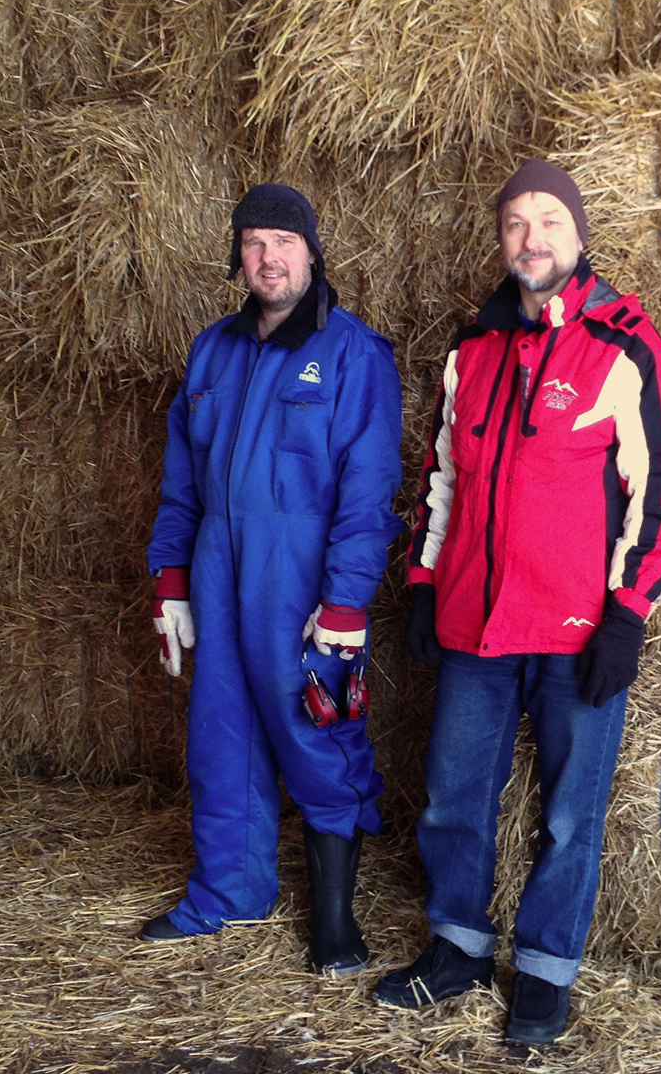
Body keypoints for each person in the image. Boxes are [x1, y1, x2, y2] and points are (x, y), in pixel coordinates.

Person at [376, 159, 661, 1044]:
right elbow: (443, 477)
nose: (532, 238)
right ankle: (458, 947)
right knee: (452, 794)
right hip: (477, 620)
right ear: (502, 238)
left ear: (579, 234)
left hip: (575, 627)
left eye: (549, 220)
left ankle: (547, 973)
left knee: (567, 812)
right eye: (516, 223)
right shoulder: (471, 352)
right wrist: (426, 582)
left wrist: (627, 612)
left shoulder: (624, 343)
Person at [144, 183, 404, 977]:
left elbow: (368, 491)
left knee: (318, 735)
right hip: (221, 582)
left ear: (312, 251)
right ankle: (229, 893)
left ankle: (333, 921)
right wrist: (171, 582)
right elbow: (181, 482)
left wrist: (347, 600)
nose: (269, 258)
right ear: (237, 257)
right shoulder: (212, 350)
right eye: (254, 244)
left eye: (283, 242)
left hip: (301, 589)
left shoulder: (353, 354)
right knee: (221, 740)